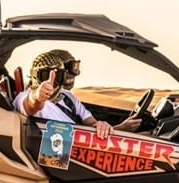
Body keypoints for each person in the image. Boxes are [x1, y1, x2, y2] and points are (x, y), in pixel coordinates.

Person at [13, 50, 141, 138]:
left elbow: (91, 123)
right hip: (57, 158)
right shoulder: (24, 97)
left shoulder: (68, 97)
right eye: (47, 74)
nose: (54, 79)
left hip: (79, 150)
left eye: (59, 74)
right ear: (36, 75)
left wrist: (103, 126)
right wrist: (37, 97)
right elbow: (30, 105)